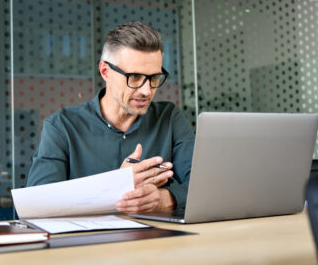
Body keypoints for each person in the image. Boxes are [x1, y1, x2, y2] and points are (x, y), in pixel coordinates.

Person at [27, 22, 195, 213]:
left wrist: (167, 198)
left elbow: (205, 185)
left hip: (160, 240)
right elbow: (37, 203)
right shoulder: (62, 127)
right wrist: (115, 185)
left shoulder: (169, 118)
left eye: (154, 78)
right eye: (134, 77)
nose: (147, 90)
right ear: (105, 71)